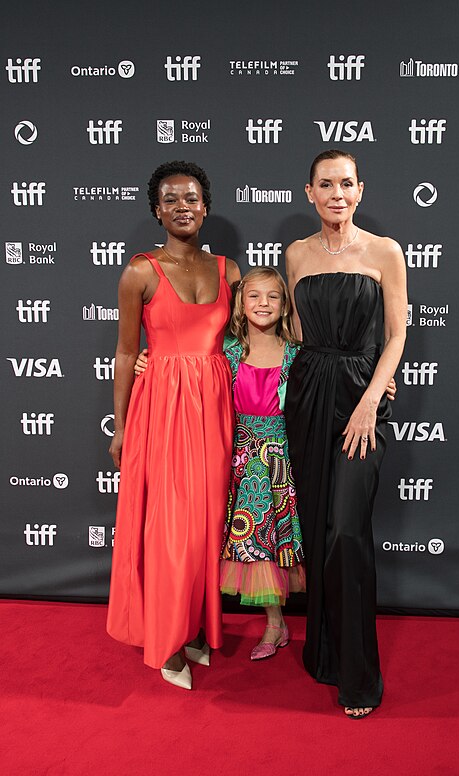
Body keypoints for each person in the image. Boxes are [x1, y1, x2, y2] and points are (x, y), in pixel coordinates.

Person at [106, 160, 240, 690]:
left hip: (214, 406)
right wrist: (119, 427)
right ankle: (165, 643)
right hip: (160, 408)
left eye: (192, 198)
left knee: (207, 522)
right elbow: (123, 353)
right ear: (156, 210)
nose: (183, 207)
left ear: (206, 207)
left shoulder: (229, 271)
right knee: (167, 526)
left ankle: (196, 629)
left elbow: (254, 340)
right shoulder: (139, 271)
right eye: (171, 199)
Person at [285, 149, 407, 718]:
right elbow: (285, 330)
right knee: (317, 529)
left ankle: (359, 678)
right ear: (309, 192)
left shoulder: (385, 252)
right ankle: (324, 653)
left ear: (361, 190)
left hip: (361, 397)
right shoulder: (296, 255)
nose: (338, 193)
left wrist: (370, 400)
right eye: (326, 184)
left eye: (347, 183)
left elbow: (398, 335)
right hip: (308, 396)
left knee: (346, 534)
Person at [135, 268, 306, 660]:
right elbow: (186, 366)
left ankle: (276, 624)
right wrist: (147, 361)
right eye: (254, 297)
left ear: (284, 307)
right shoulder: (228, 352)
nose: (263, 304)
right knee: (247, 542)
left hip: (281, 463)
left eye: (273, 298)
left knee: (275, 542)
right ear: (241, 306)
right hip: (238, 461)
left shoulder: (297, 354)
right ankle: (270, 623)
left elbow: (328, 386)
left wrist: (375, 383)